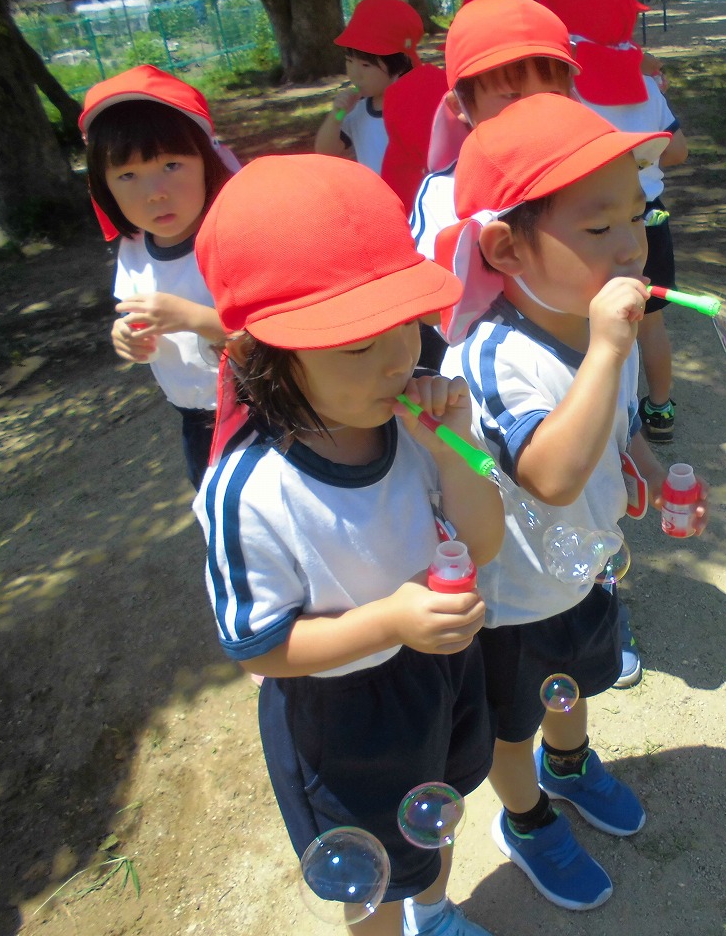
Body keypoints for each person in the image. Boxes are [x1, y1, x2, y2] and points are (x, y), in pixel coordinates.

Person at [193, 155, 506, 936]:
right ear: (262, 357)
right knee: (367, 867)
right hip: (341, 712)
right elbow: (260, 647)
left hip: (439, 671)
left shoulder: (415, 430)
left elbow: (486, 540)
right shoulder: (249, 493)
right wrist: (390, 624)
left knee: (436, 808)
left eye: (405, 325)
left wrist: (452, 450)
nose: (399, 360)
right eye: (354, 346)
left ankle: (434, 916)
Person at [436, 94, 711, 910]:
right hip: (511, 599)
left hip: (584, 569)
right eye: (599, 229)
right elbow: (550, 473)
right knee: (513, 721)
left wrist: (653, 473)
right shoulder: (492, 358)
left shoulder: (602, 332)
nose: (633, 245)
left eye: (639, 214)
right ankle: (524, 816)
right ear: (504, 247)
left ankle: (572, 765)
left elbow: (617, 427)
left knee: (575, 682)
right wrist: (609, 349)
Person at [537, 0, 690, 448]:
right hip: (647, 215)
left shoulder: (562, 83)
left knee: (591, 318)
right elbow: (678, 151)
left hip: (589, 222)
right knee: (651, 318)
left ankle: (591, 414)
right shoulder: (645, 81)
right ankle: (659, 408)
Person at [80, 64, 239, 489]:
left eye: (171, 164)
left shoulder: (235, 234)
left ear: (207, 160)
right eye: (127, 175)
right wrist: (129, 339)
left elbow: (275, 334)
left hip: (266, 411)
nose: (154, 192)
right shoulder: (134, 248)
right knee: (222, 525)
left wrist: (194, 318)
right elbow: (144, 326)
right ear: (103, 186)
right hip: (197, 423)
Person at [409, 0, 579, 262]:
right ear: (459, 106)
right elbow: (438, 281)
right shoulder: (443, 195)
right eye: (512, 96)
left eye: (553, 94)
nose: (536, 111)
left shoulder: (587, 170)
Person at [314, 0, 424, 175]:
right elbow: (326, 152)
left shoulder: (417, 105)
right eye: (349, 61)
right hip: (381, 200)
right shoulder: (357, 110)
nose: (355, 74)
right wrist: (336, 116)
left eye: (366, 65)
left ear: (399, 65)